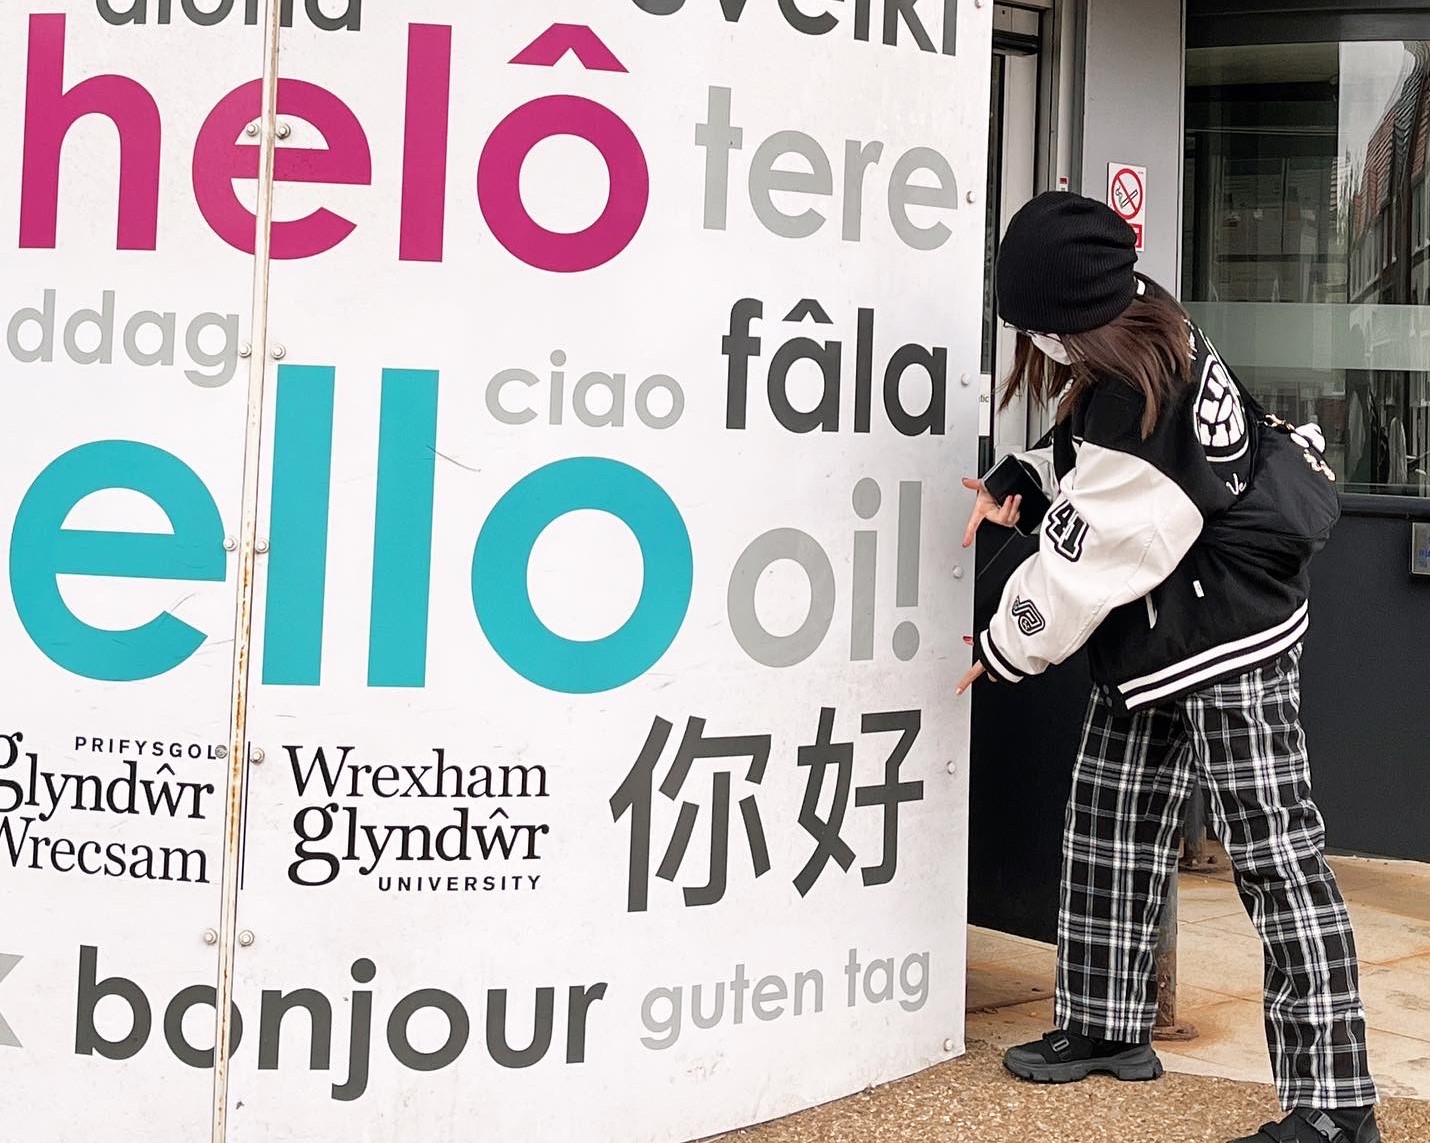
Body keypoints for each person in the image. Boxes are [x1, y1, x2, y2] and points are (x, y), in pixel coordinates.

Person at [958, 191, 1380, 1143]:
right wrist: (1024, 478)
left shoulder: (1142, 394)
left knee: (1278, 858)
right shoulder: (1143, 321)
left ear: (1074, 320)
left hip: (1228, 635)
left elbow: (1085, 562)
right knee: (1108, 824)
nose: (1035, 342)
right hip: (1160, 630)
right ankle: (1109, 1025)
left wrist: (997, 648)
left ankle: (1335, 1104)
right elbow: (1089, 461)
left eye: (1035, 325)